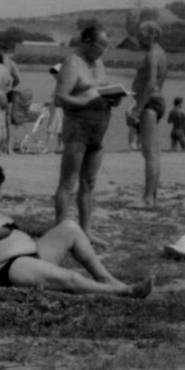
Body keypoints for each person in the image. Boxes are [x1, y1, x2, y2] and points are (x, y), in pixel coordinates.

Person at [0, 162, 153, 297]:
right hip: (8, 269)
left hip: (32, 256)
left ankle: (105, 278)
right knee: (70, 278)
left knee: (70, 227)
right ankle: (124, 292)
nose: (1, 193)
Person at [52, 24, 125, 246]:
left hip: (99, 129)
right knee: (68, 181)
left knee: (89, 183)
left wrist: (113, 98)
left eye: (105, 46)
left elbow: (99, 88)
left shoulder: (99, 63)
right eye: (99, 46)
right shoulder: (72, 62)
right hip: (78, 127)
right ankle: (59, 231)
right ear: (86, 42)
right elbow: (60, 97)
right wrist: (87, 102)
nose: (102, 50)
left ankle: (86, 230)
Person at [127, 21, 168, 208]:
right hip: (154, 101)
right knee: (154, 153)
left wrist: (138, 108)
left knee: (149, 152)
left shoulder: (153, 54)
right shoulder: (161, 53)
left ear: (151, 34)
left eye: (141, 35)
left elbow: (151, 83)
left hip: (150, 102)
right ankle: (152, 196)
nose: (138, 38)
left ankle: (148, 198)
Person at [0, 42, 22, 154]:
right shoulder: (11, 63)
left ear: (1, 50)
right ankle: (8, 147)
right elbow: (18, 79)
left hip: (1, 93)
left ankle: (1, 147)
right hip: (8, 92)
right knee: (6, 121)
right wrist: (11, 87)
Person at [44, 65, 64, 154]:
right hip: (57, 107)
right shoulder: (61, 82)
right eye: (53, 74)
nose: (54, 75)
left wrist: (49, 100)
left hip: (58, 107)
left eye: (56, 73)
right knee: (59, 128)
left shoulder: (62, 83)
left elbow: (58, 95)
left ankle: (46, 147)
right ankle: (60, 147)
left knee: (52, 127)